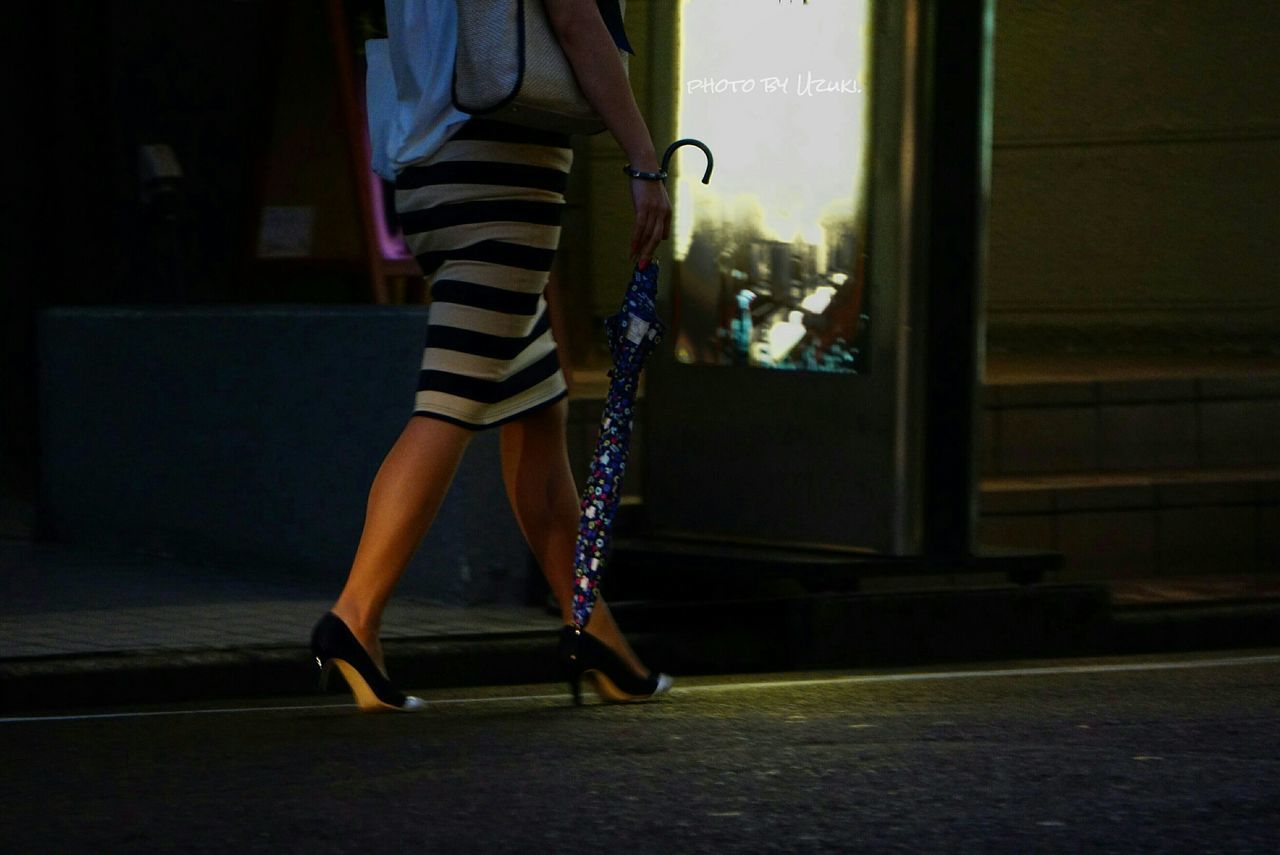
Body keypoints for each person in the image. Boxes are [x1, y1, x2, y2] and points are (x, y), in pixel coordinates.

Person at [310, 0, 673, 712]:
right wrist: (642, 159)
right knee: (452, 399)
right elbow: (573, 17)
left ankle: (594, 631)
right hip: (501, 169)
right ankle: (354, 615)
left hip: (429, 167)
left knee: (537, 406)